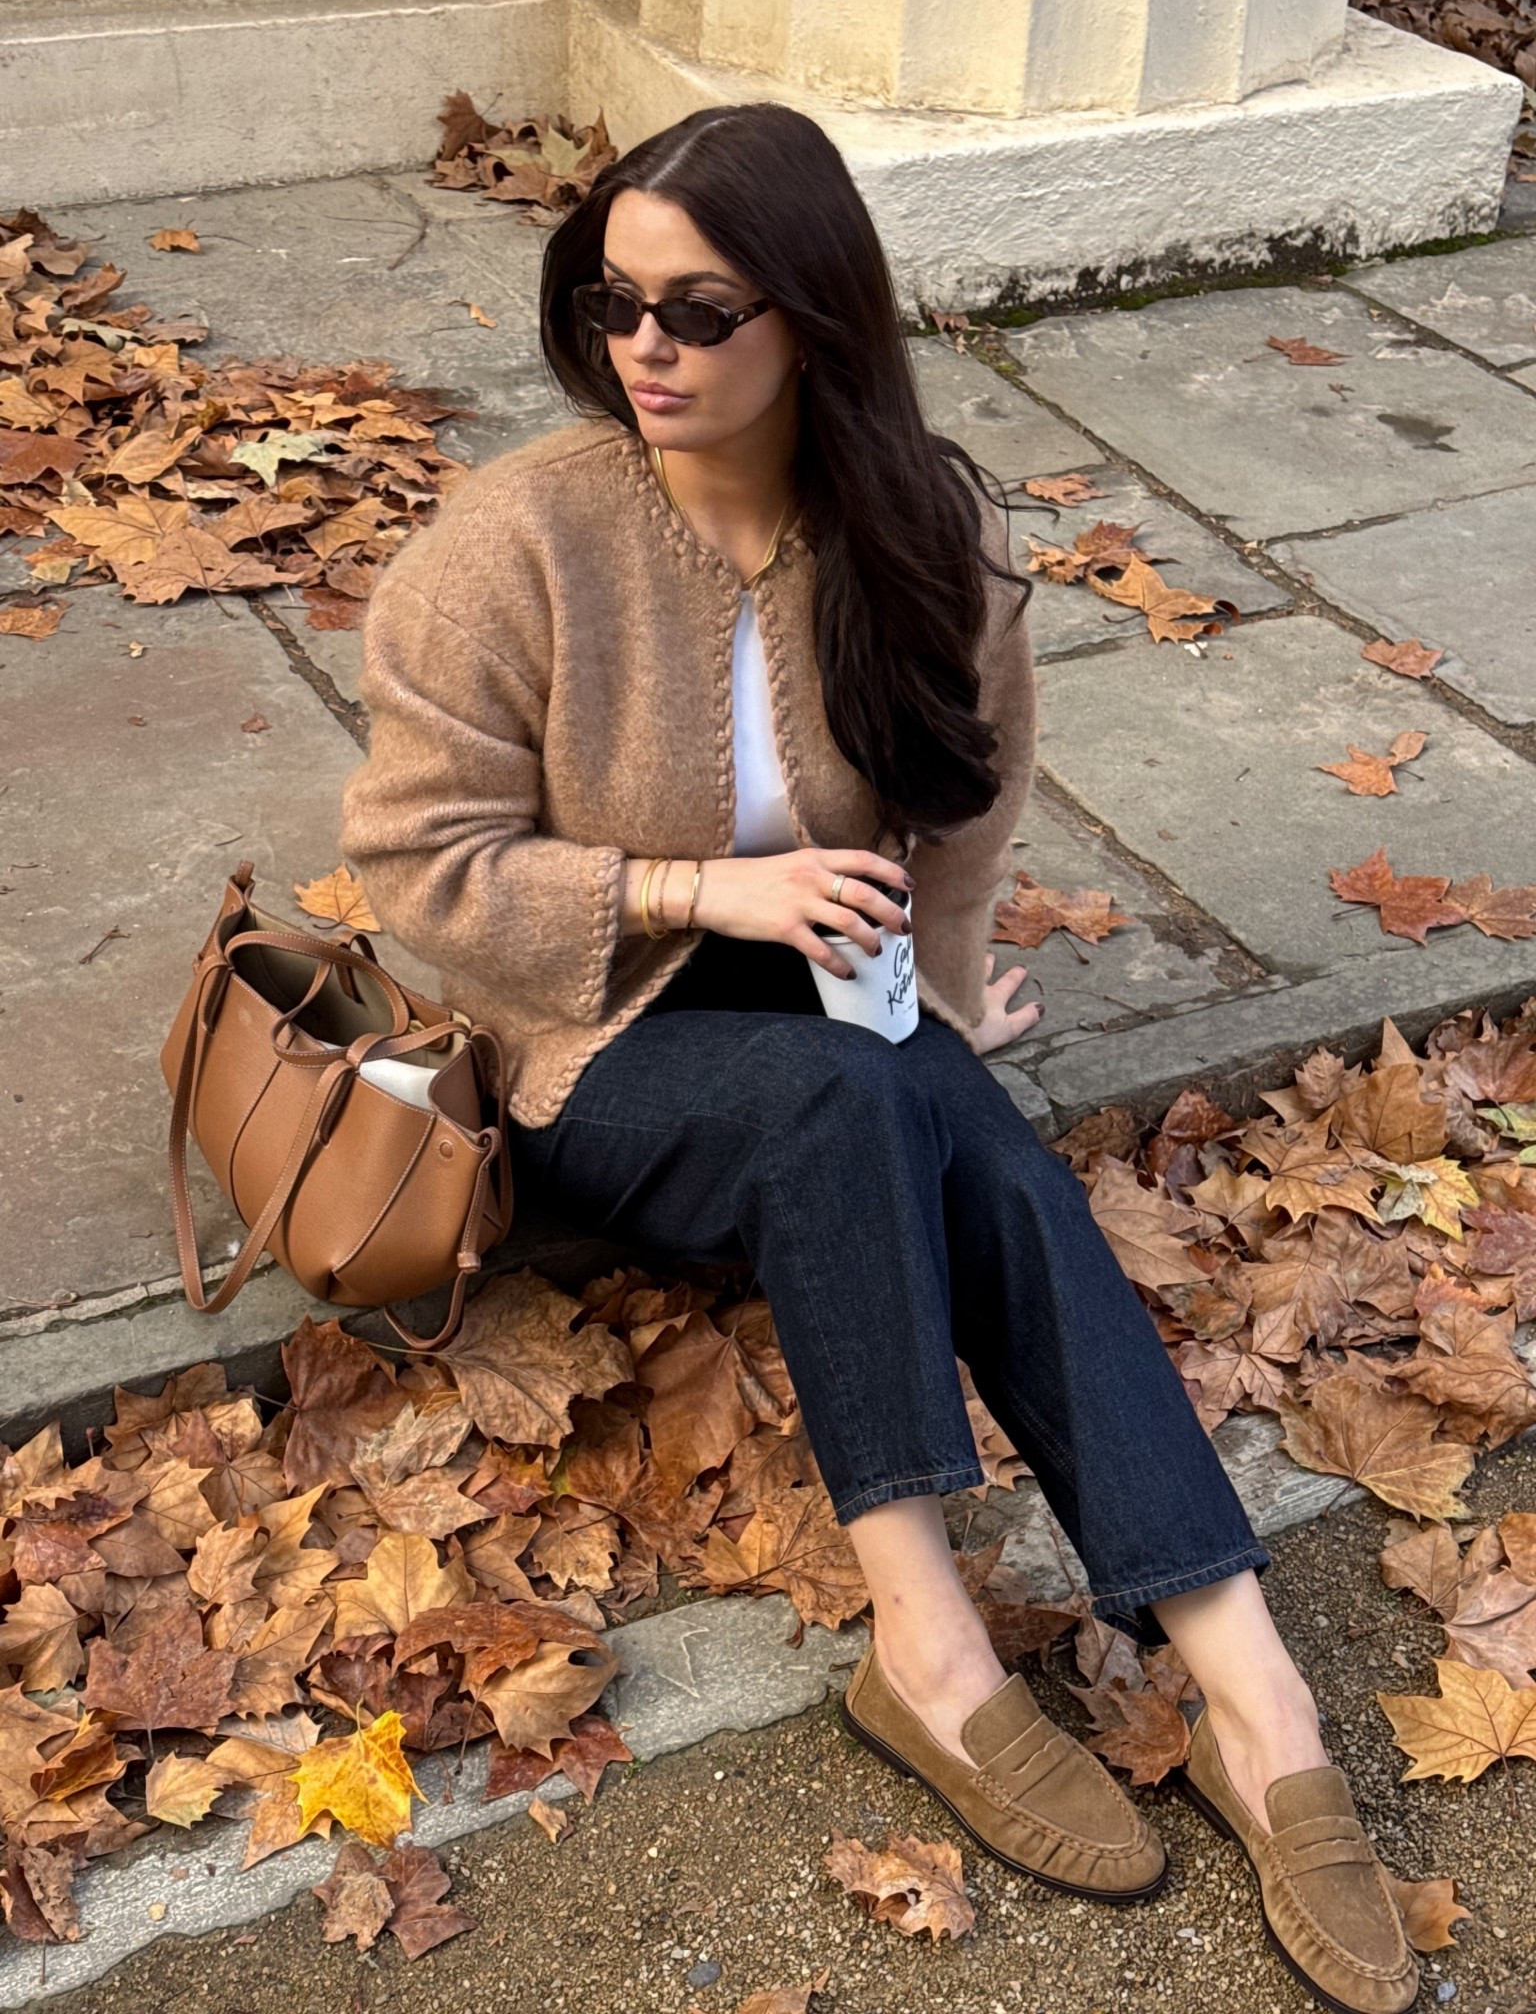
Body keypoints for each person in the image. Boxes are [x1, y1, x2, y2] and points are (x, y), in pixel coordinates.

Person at [338, 102, 1418, 2013]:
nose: (645, 347)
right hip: (592, 1041)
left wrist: (953, 981)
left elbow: (967, 798)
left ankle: (1254, 1693)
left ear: (816, 315)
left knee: (960, 1127)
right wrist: (696, 890)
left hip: (833, 1011)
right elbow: (418, 870)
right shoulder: (515, 544)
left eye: (699, 309)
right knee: (866, 1096)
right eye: (611, 304)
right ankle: (929, 1648)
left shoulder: (925, 522)